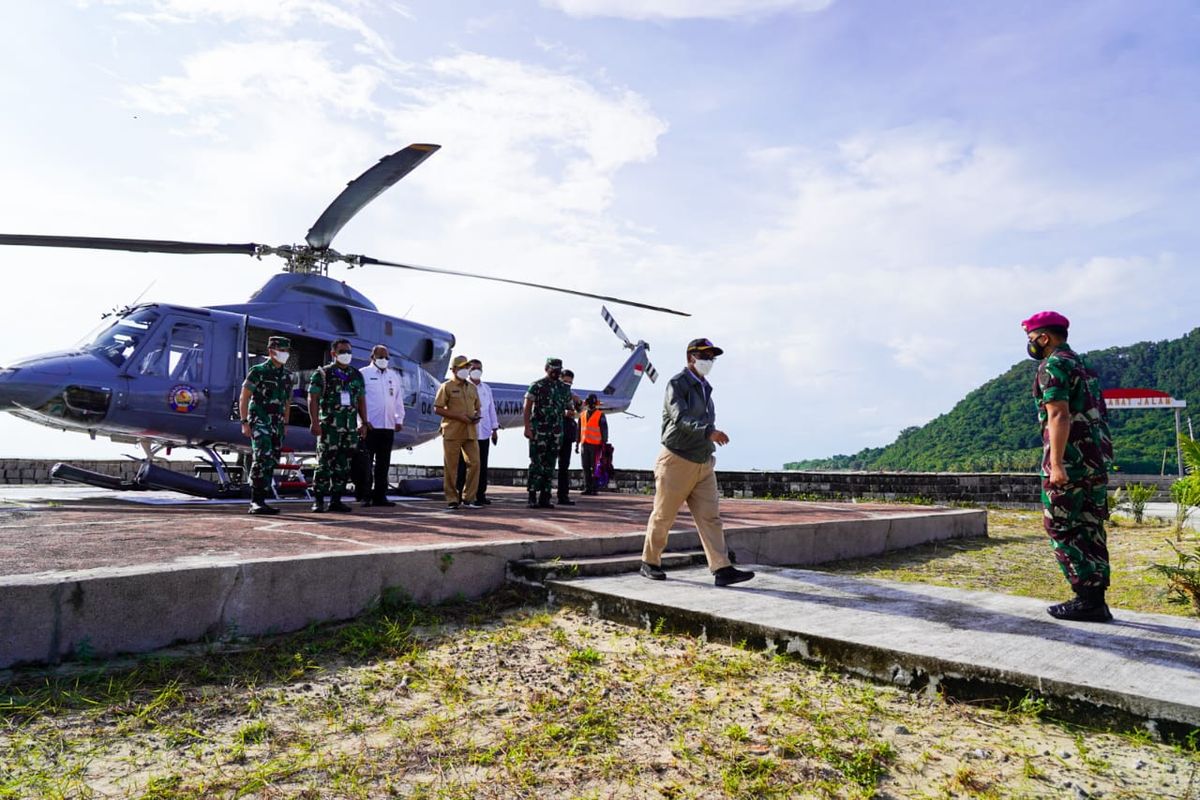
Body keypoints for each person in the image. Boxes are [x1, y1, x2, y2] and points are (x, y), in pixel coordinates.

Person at [1023, 311, 1114, 622]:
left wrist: (1057, 464)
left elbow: (1058, 414)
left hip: (1071, 462)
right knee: (1090, 527)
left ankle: (1086, 599)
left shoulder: (1053, 365)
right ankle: (1095, 600)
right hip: (1095, 461)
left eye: (1032, 338)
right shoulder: (1083, 366)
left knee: (1060, 525)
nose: (1031, 344)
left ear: (1045, 338)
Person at [640, 338, 754, 587]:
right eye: (704, 355)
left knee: (711, 518)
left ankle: (722, 569)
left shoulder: (706, 387)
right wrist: (708, 432)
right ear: (690, 358)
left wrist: (707, 440)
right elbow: (680, 417)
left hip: (703, 461)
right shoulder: (677, 384)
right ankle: (650, 562)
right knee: (664, 515)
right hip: (677, 460)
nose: (709, 361)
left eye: (712, 357)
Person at [308, 338, 368, 513]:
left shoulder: (356, 375)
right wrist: (314, 422)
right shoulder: (323, 374)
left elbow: (361, 400)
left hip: (349, 429)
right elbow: (313, 398)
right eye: (342, 351)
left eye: (349, 351)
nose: (346, 355)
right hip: (329, 428)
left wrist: (364, 422)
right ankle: (318, 500)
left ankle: (336, 500)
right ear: (334, 353)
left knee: (343, 465)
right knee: (324, 465)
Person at [239, 335, 293, 515]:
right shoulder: (258, 371)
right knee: (262, 457)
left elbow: (287, 402)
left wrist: (285, 422)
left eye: (287, 351)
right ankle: (256, 501)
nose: (285, 354)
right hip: (260, 420)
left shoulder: (287, 375)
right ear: (271, 351)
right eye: (282, 350)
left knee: (271, 460)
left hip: (277, 424)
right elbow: (244, 396)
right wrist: (244, 422)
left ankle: (263, 499)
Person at [358, 344, 405, 507]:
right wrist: (361, 421)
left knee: (383, 464)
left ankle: (380, 496)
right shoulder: (363, 374)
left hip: (388, 425)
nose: (384, 360)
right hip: (370, 426)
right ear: (372, 357)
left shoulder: (393, 376)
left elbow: (398, 400)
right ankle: (365, 495)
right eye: (380, 357)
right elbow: (358, 400)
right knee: (366, 463)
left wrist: (399, 419)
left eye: (386, 357)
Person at [524, 357, 572, 508]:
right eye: (553, 370)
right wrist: (527, 427)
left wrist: (572, 409)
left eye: (558, 370)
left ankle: (545, 497)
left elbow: (569, 407)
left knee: (550, 464)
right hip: (539, 430)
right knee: (536, 463)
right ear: (546, 368)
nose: (555, 373)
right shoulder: (537, 386)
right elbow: (527, 407)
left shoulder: (563, 388)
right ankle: (532, 495)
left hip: (556, 432)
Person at [435, 354, 481, 509]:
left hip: (470, 430)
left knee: (475, 463)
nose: (465, 370)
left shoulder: (472, 388)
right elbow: (438, 408)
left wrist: (476, 416)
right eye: (462, 367)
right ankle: (452, 498)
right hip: (453, 431)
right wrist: (459, 417)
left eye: (466, 367)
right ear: (454, 369)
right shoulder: (446, 386)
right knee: (451, 466)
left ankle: (469, 498)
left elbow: (477, 407)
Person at [456, 359, 499, 504]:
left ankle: (480, 495)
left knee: (482, 465)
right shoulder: (462, 386)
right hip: (466, 432)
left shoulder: (486, 389)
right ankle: (459, 494)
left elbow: (491, 409)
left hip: (484, 432)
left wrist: (494, 429)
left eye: (479, 368)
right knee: (463, 465)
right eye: (473, 368)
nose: (476, 370)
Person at [556, 369, 581, 506]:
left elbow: (580, 411)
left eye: (570, 383)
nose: (567, 385)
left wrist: (577, 403)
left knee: (564, 466)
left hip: (567, 432)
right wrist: (563, 412)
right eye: (565, 381)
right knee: (547, 465)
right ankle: (543, 495)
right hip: (554, 432)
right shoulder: (553, 392)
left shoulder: (571, 394)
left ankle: (563, 495)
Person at [578, 393, 608, 495]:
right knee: (585, 466)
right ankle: (588, 487)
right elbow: (579, 430)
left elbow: (604, 430)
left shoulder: (600, 414)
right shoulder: (582, 415)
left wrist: (604, 443)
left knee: (595, 467)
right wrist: (577, 443)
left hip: (596, 444)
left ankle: (594, 488)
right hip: (584, 443)